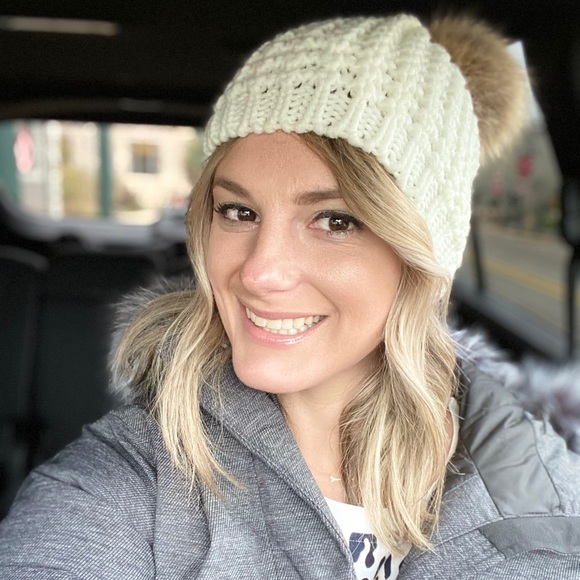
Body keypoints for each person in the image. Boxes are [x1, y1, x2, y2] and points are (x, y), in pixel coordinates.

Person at [1, 12, 580, 580]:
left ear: (422, 254)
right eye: (238, 211)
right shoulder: (127, 479)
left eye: (335, 220)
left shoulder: (550, 495)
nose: (260, 272)